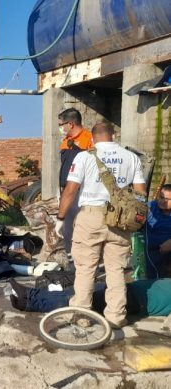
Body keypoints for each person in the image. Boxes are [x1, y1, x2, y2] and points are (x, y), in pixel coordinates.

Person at [58, 122, 146, 328]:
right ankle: (116, 317)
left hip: (91, 216)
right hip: (120, 220)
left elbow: (71, 190)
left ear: (93, 138)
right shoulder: (131, 157)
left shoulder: (84, 156)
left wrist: (61, 218)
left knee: (86, 268)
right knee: (116, 270)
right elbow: (141, 193)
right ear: (113, 136)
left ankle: (81, 316)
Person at [8, 278, 171, 317]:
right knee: (79, 291)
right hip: (128, 287)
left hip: (135, 302)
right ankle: (30, 294)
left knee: (77, 301)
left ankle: (30, 303)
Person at [55, 108, 94, 257]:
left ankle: (86, 259)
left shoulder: (89, 139)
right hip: (67, 191)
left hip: (82, 192)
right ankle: (71, 258)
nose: (60, 128)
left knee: (83, 227)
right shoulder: (65, 142)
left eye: (61, 124)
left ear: (70, 123)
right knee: (67, 229)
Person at [144, 184, 171, 279]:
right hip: (152, 254)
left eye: (167, 199)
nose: (163, 201)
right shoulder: (150, 207)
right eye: (161, 197)